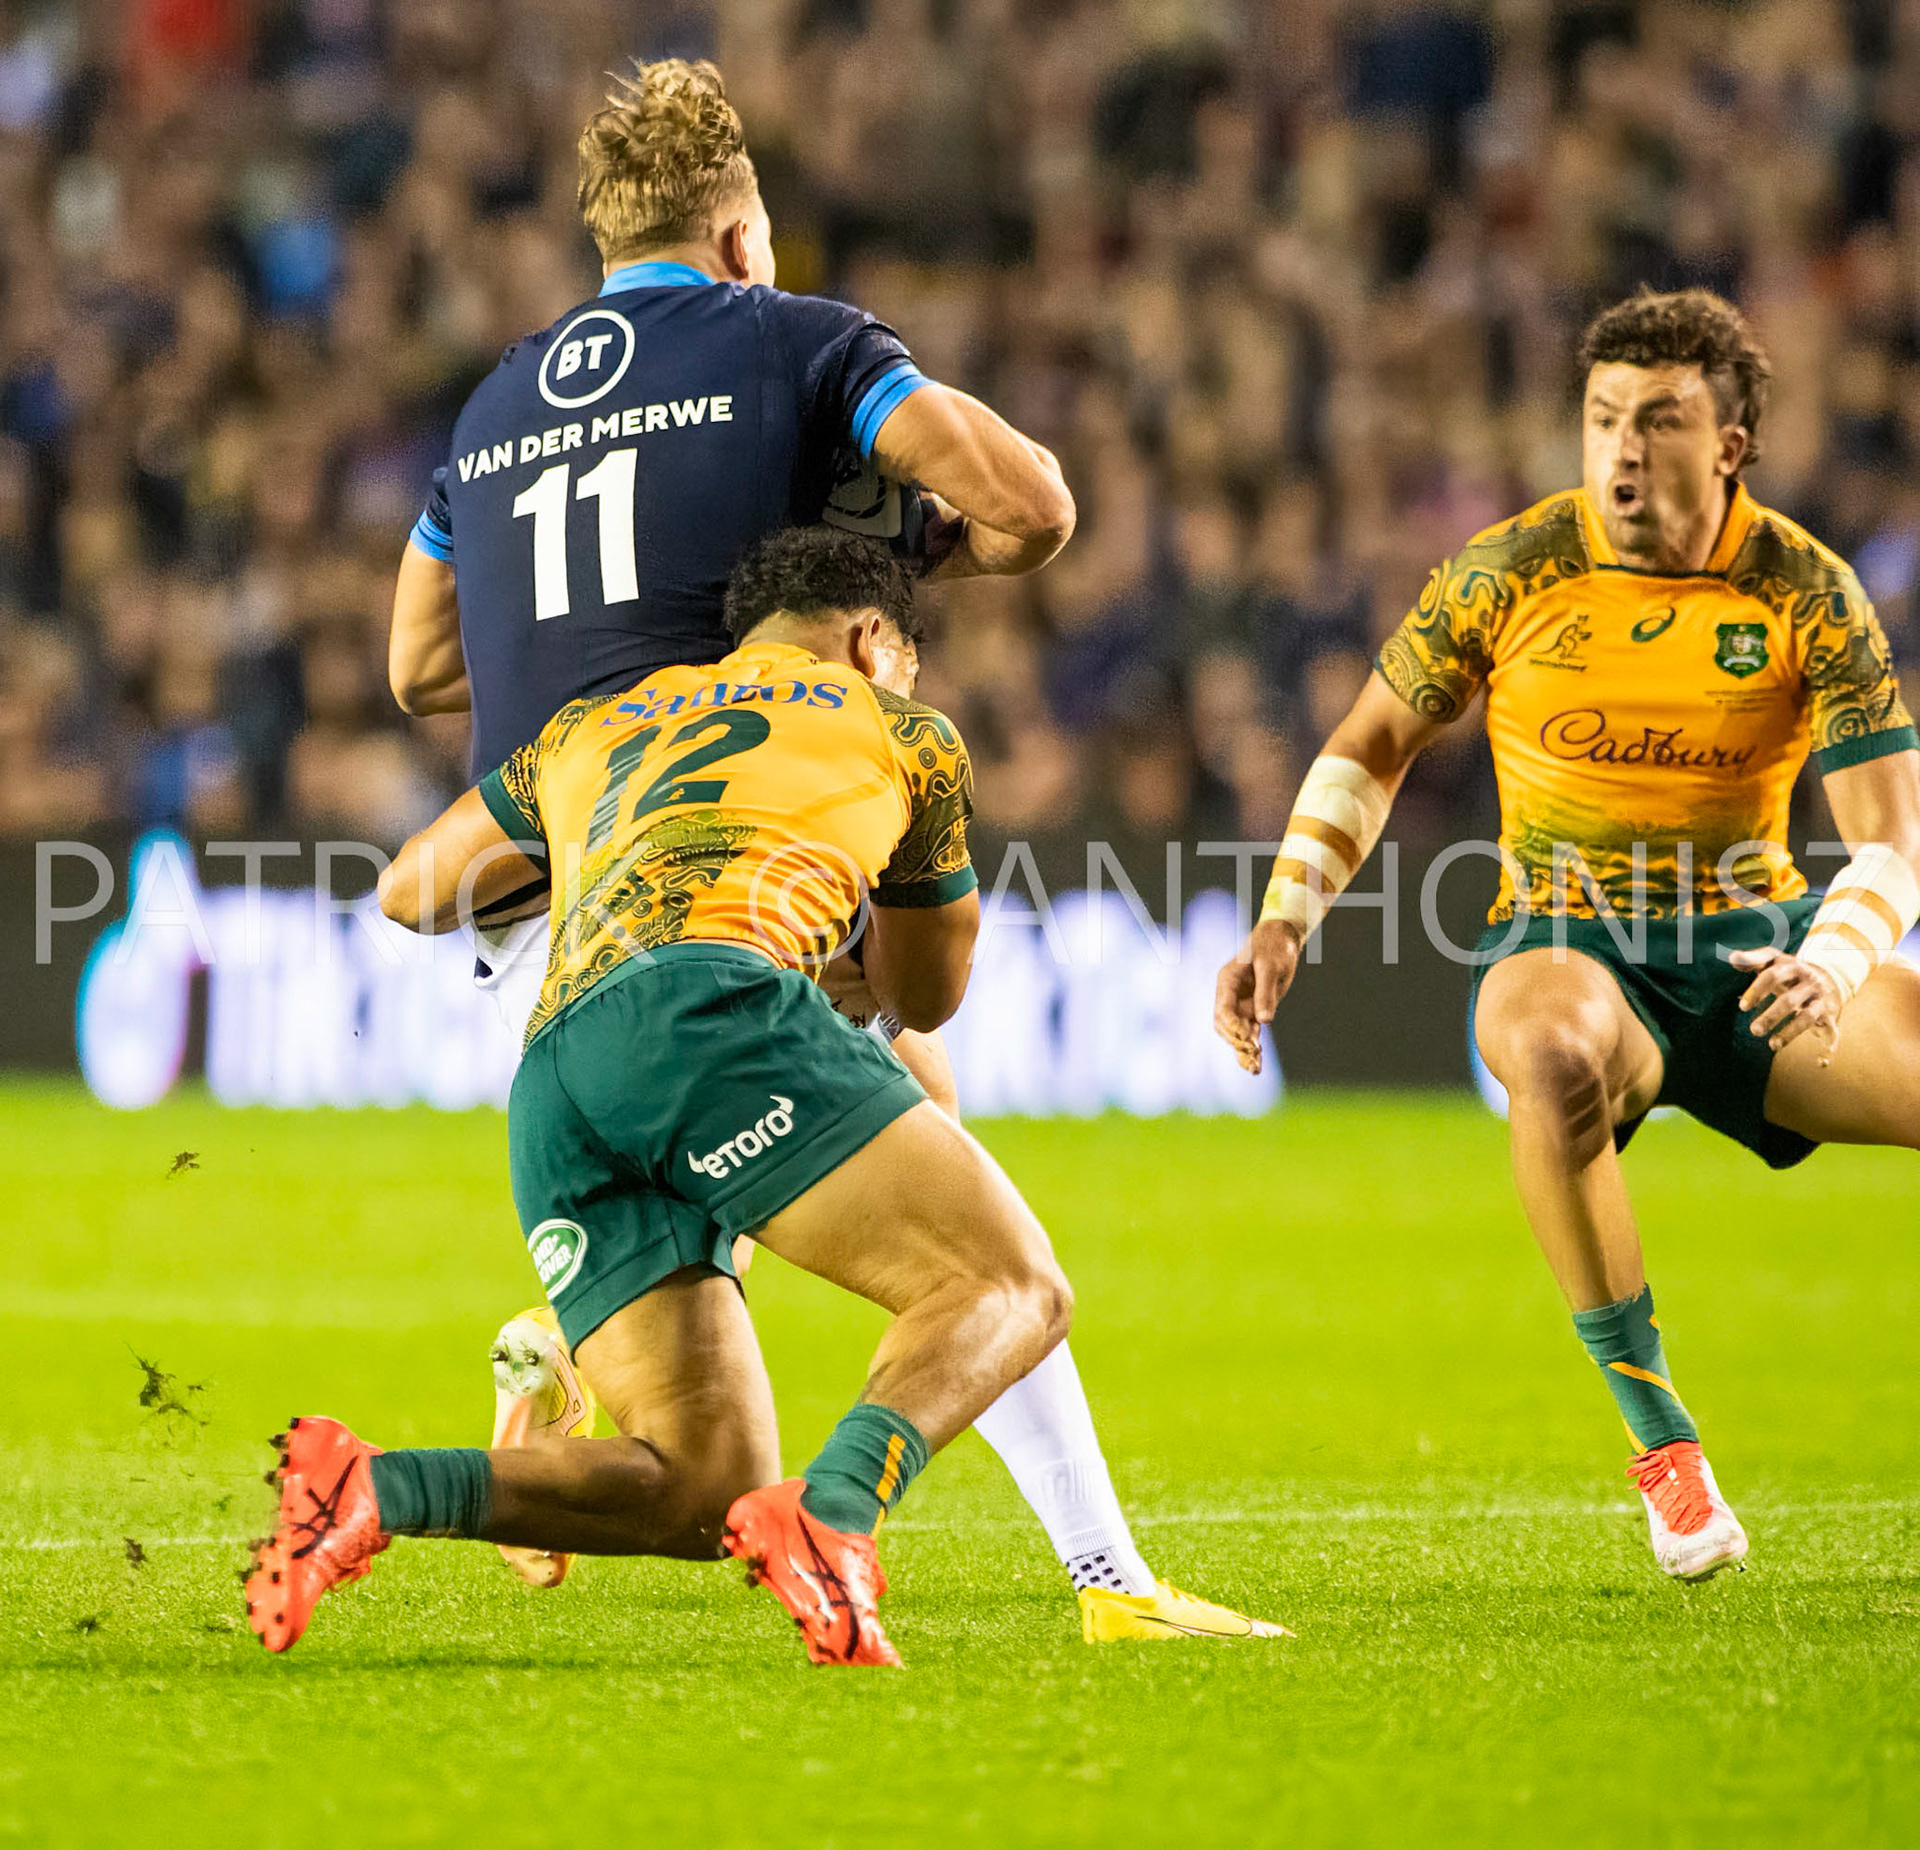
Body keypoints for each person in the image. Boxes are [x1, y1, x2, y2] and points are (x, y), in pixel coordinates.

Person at [388, 55, 1268, 1639]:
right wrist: (890, 567)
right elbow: (1031, 506)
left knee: (849, 1153)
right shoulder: (791, 339)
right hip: (698, 878)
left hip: (537, 905)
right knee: (950, 1192)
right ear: (742, 237)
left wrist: (583, 656)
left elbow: (416, 666)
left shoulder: (494, 402)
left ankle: (565, 1357)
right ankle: (1105, 1580)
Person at [250, 530, 1079, 1664]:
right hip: (719, 1008)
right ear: (870, 639)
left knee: (700, 1486)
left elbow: (409, 890)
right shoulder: (907, 732)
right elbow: (924, 997)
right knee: (1010, 1282)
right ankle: (834, 1512)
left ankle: (368, 1487)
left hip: (561, 1066)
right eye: (905, 661)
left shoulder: (593, 727)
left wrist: (618, 854)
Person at [1214, 287, 1920, 1583]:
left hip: (1760, 955)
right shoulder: (1512, 568)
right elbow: (1371, 745)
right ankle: (1664, 1445)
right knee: (1547, 1051)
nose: (1623, 449)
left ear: (1732, 445)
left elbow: (1893, 832)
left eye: (1660, 419)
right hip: (1566, 936)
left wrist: (1832, 958)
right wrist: (1284, 916)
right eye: (1603, 418)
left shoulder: (1807, 590)